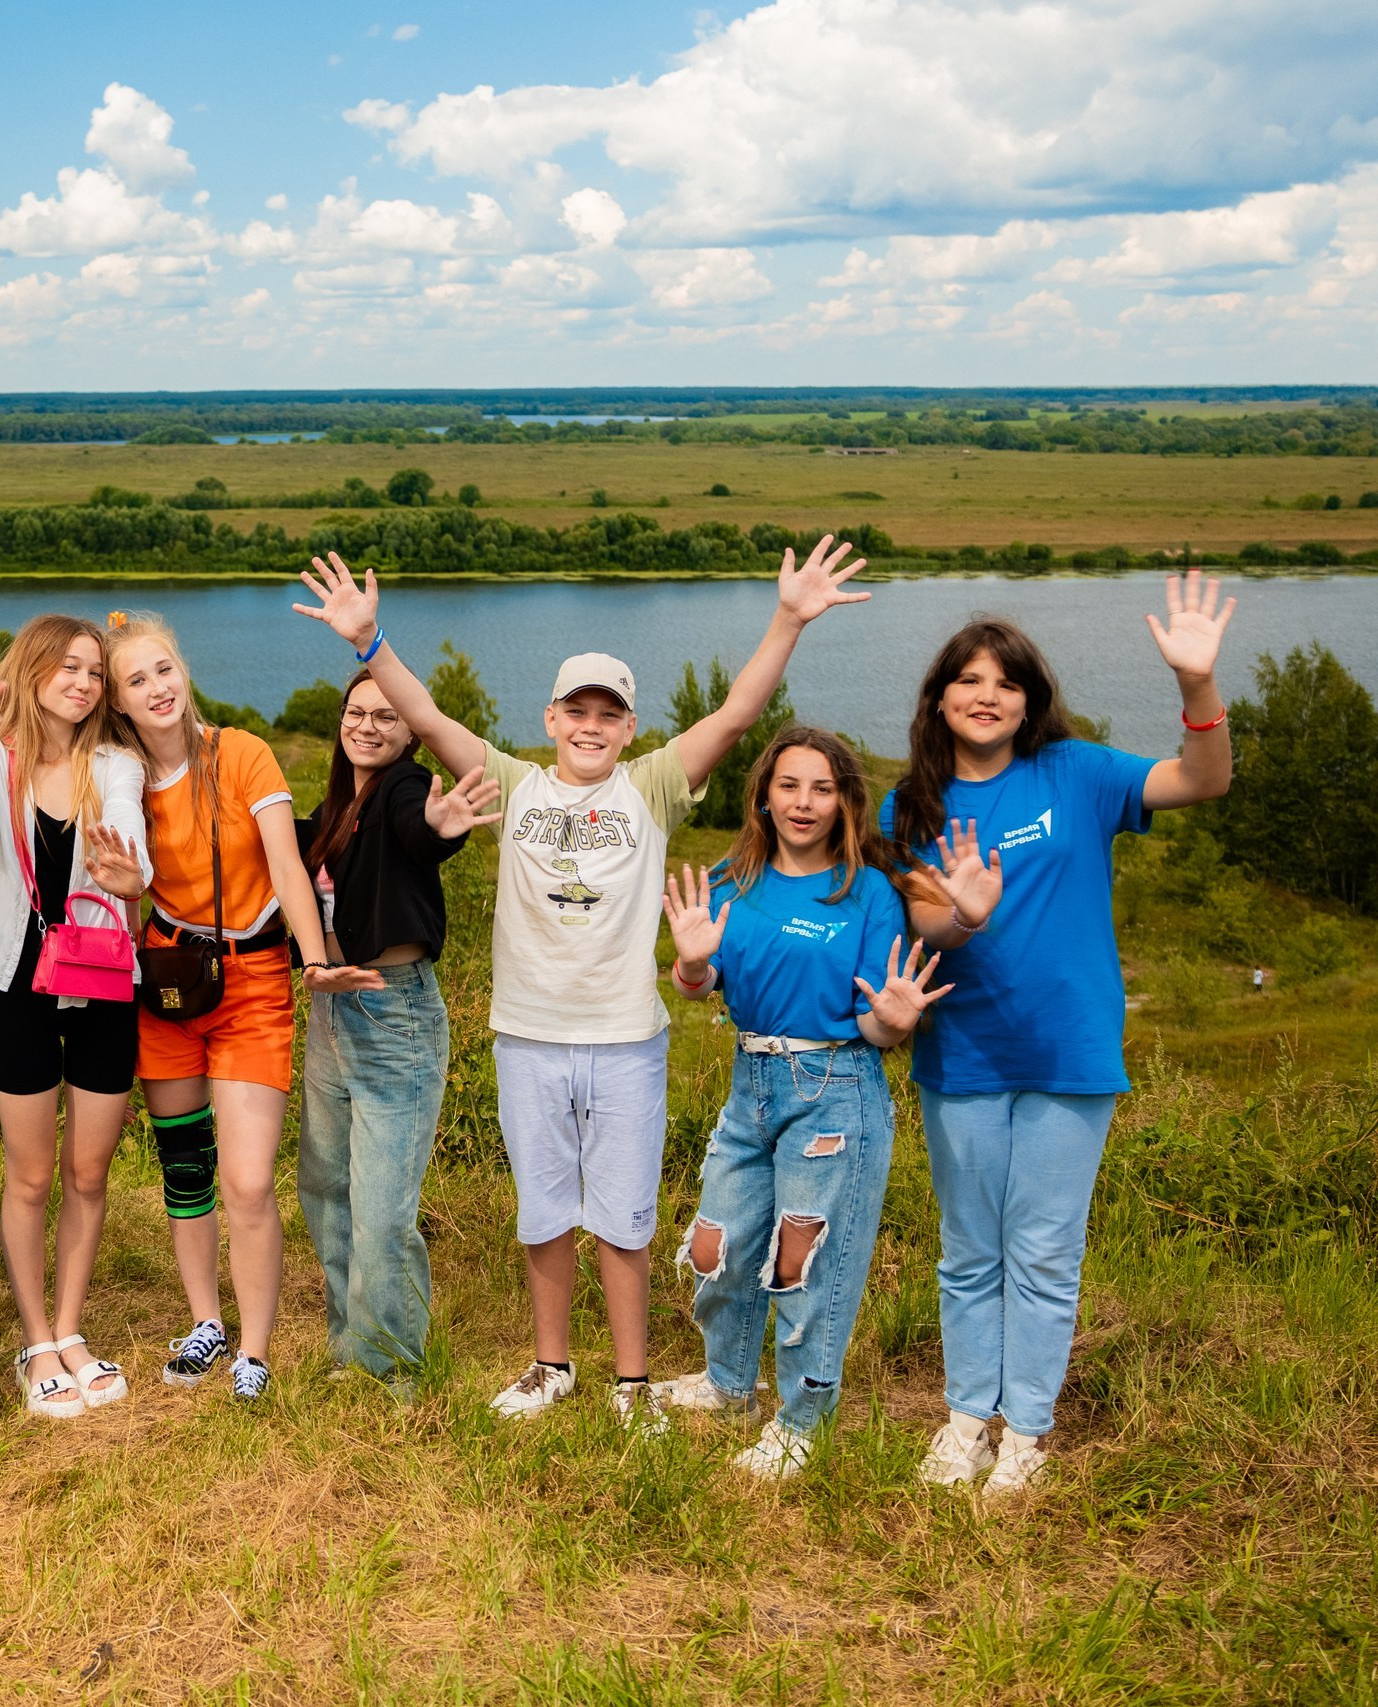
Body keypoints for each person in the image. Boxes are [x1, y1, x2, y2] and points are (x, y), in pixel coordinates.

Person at [294, 540, 868, 1428]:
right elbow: (427, 714)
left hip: (626, 1041)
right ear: (551, 717)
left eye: (610, 712)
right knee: (544, 1213)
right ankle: (550, 1364)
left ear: (629, 727)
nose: (592, 724)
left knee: (626, 1219)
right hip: (528, 1036)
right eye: (576, 709)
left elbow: (737, 711)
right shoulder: (515, 786)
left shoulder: (652, 788)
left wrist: (788, 617)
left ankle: (631, 1383)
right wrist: (370, 644)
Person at [884, 574, 1236, 1497]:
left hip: (1069, 1051)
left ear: (1030, 698)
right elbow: (928, 928)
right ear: (939, 698)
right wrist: (964, 915)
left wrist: (1196, 684)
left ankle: (1026, 1431)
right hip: (962, 1053)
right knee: (968, 1248)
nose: (987, 694)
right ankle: (967, 1418)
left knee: (1042, 1249)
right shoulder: (908, 809)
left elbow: (1205, 778)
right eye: (968, 678)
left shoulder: (1079, 773)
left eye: (1006, 680)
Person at [653, 727, 950, 1477]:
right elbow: (700, 984)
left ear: (845, 799)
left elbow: (874, 1022)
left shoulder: (867, 892)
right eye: (789, 785)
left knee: (805, 1263)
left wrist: (897, 1018)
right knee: (715, 1246)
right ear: (764, 793)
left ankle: (803, 1421)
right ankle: (728, 1384)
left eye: (821, 788)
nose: (803, 803)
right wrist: (689, 961)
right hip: (749, 1081)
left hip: (834, 1089)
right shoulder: (735, 876)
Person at [102, 612, 371, 1403]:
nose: (156, 688)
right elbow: (129, 896)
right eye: (135, 680)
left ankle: (254, 1347)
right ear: (117, 703)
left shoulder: (242, 753)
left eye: (163, 670)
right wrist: (129, 894)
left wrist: (315, 957)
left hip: (251, 984)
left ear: (183, 671)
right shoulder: (119, 782)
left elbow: (287, 864)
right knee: (186, 1167)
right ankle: (205, 1323)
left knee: (249, 1182)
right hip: (168, 983)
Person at [0, 614, 150, 1422]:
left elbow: (132, 835)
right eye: (69, 667)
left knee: (89, 1173)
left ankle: (71, 1328)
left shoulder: (115, 764)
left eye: (95, 671)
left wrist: (132, 875)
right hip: (18, 982)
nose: (84, 682)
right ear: (34, 669)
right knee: (30, 1174)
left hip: (104, 985)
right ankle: (33, 1341)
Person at [293, 670, 501, 1389]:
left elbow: (422, 827)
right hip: (331, 1012)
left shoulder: (405, 790)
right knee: (324, 1185)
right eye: (356, 711)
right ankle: (353, 1346)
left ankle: (392, 1369)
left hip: (394, 1013)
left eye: (387, 715)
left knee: (381, 1208)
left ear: (411, 731)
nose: (369, 725)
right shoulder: (335, 806)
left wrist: (442, 829)